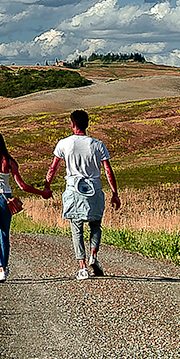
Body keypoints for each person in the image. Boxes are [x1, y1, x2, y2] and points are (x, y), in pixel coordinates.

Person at [45, 109, 121, 279]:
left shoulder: (64, 143)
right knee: (95, 224)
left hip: (74, 190)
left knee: (76, 227)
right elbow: (108, 170)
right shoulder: (98, 145)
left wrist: (47, 186)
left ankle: (82, 266)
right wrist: (115, 193)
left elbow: (53, 167)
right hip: (94, 189)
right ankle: (94, 254)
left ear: (72, 124)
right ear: (87, 124)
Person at [0, 131, 43, 284]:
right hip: (5, 198)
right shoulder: (9, 161)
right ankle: (5, 266)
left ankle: (0, 270)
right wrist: (41, 193)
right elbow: (22, 186)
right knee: (5, 233)